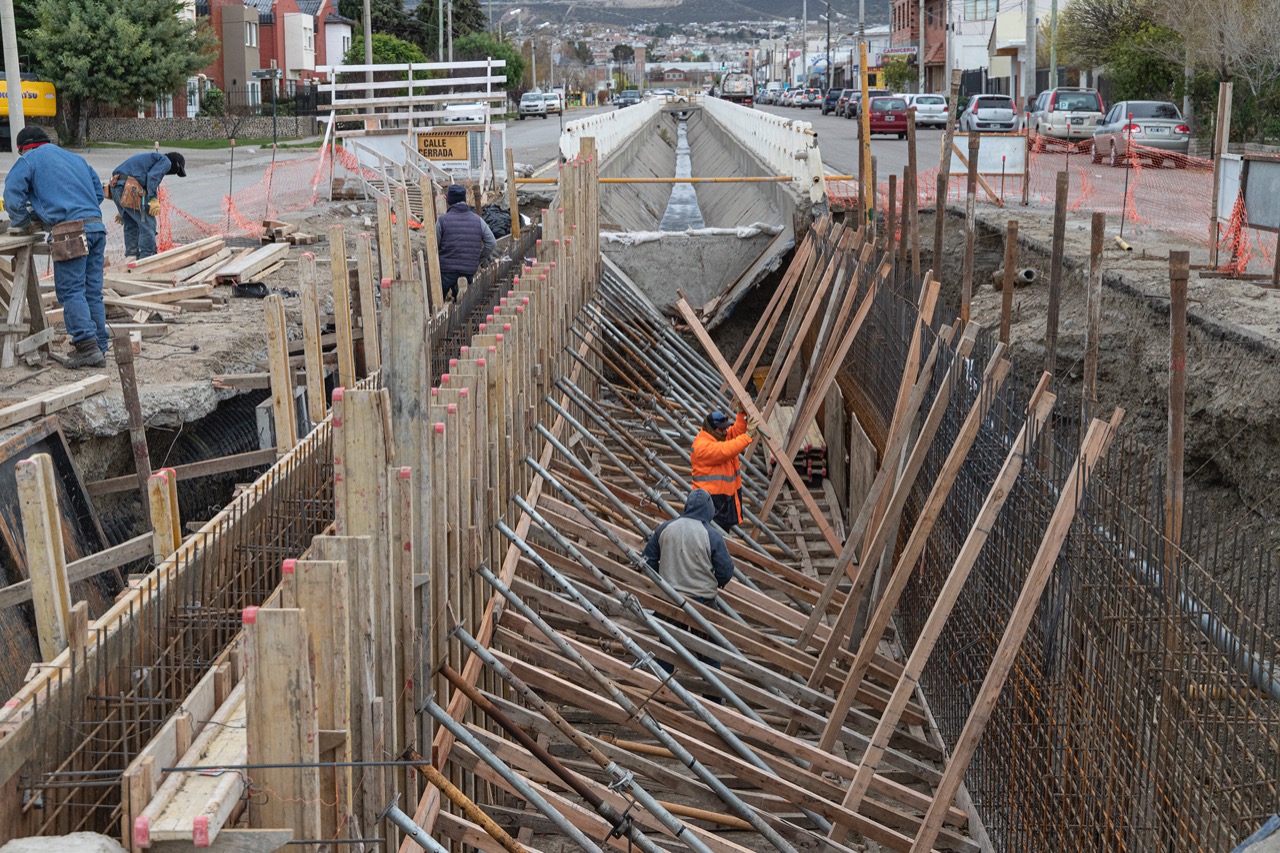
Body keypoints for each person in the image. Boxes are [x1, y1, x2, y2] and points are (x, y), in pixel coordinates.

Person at [3, 127, 109, 368]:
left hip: (70, 232)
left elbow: (12, 195)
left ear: (23, 148)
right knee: (92, 291)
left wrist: (23, 221)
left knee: (71, 290)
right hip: (96, 227)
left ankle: (86, 346)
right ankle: (99, 346)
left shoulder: (29, 159)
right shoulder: (75, 158)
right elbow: (97, 193)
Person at [642, 489, 735, 674]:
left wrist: (663, 579)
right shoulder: (711, 535)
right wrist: (712, 581)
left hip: (671, 598)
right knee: (709, 651)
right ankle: (713, 697)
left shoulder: (665, 528)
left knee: (668, 647)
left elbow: (648, 560)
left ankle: (664, 692)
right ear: (709, 509)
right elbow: (726, 570)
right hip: (702, 601)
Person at [690, 409, 759, 531]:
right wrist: (748, 436)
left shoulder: (717, 436)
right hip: (710, 502)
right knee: (713, 537)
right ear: (712, 429)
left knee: (721, 536)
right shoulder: (702, 446)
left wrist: (742, 414)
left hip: (722, 500)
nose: (725, 432)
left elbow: (736, 431)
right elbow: (726, 450)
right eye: (721, 429)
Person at [109, 151, 186, 259]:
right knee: (148, 223)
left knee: (131, 223)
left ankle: (131, 257)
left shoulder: (150, 160)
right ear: (176, 164)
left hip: (116, 186)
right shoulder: (166, 161)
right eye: (177, 170)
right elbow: (152, 177)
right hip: (129, 188)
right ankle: (148, 257)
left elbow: (138, 181)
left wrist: (124, 209)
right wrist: (153, 199)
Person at [435, 184, 495, 302]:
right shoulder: (478, 220)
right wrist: (480, 257)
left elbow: (434, 247)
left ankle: (442, 305)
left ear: (449, 202)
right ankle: (460, 293)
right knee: (465, 305)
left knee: (438, 300)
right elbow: (491, 242)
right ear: (465, 201)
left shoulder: (442, 221)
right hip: (468, 269)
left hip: (446, 270)